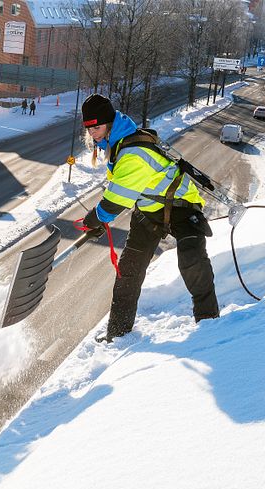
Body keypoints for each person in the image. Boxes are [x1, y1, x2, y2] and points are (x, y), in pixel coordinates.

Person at [80, 94, 219, 343]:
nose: (93, 134)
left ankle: (210, 325)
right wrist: (101, 220)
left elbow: (116, 200)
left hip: (182, 206)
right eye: (89, 129)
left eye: (97, 127)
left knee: (192, 262)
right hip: (149, 210)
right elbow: (121, 192)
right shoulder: (118, 143)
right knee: (128, 274)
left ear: (109, 123)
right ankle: (118, 335)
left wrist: (95, 219)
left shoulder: (132, 152)